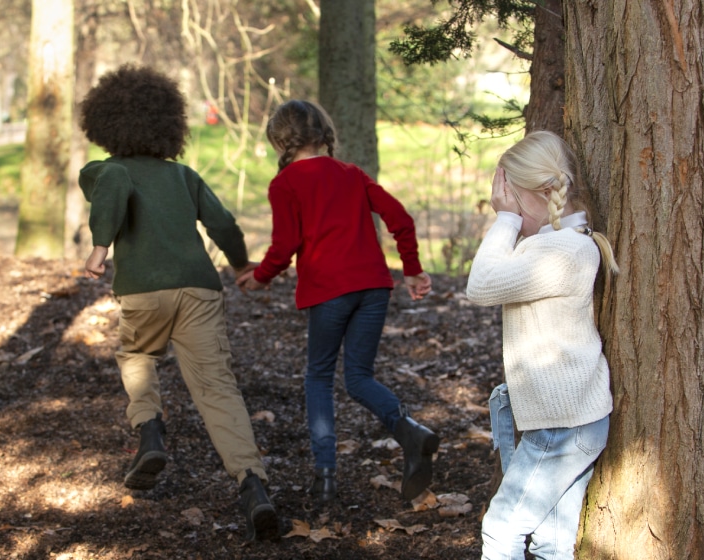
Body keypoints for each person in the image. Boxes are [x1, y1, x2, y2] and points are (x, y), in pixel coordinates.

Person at [78, 64, 279, 542]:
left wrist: (99, 247)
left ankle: (150, 432)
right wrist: (240, 265)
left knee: (138, 355)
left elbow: (114, 189)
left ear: (104, 123)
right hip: (200, 288)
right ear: (169, 124)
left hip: (143, 289)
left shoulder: (104, 169)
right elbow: (225, 224)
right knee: (216, 388)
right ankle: (253, 486)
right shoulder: (184, 175)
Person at [236, 100, 438, 503]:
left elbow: (285, 245)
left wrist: (260, 279)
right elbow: (400, 219)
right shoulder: (353, 174)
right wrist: (412, 269)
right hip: (374, 289)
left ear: (280, 141)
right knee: (359, 377)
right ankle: (409, 431)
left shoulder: (286, 184)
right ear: (324, 134)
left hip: (329, 292)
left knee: (319, 376)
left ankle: (325, 475)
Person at [466, 130, 620, 559]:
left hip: (563, 427)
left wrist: (505, 220)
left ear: (544, 191)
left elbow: (480, 285)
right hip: (568, 422)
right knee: (552, 542)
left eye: (512, 196)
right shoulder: (551, 245)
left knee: (501, 531)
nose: (507, 206)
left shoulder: (563, 252)